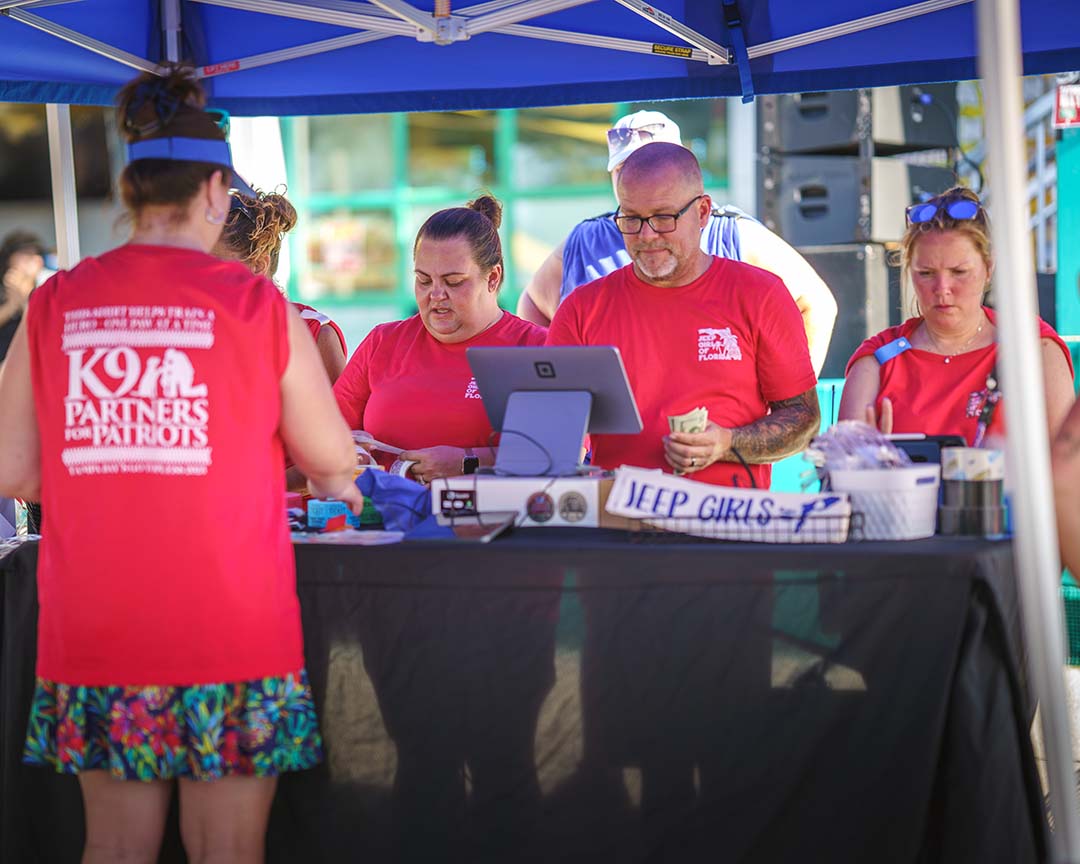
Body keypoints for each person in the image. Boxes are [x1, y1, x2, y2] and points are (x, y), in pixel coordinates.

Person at [0, 66, 364, 864]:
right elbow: (334, 462)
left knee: (116, 848)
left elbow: (15, 471)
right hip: (230, 626)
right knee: (227, 852)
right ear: (213, 192)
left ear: (129, 193)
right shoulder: (255, 303)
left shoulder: (55, 301)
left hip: (96, 625)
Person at [546, 142, 821, 489]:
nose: (647, 236)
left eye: (663, 217)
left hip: (727, 526)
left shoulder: (759, 295)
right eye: (631, 219)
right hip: (617, 525)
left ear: (703, 212)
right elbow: (551, 430)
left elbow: (804, 418)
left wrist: (727, 443)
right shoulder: (581, 309)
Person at [518, 109, 838, 375]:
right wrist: (559, 381)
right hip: (609, 444)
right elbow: (532, 304)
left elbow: (817, 305)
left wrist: (786, 402)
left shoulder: (732, 234)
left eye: (652, 162)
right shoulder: (585, 242)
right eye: (625, 167)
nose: (641, 176)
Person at [333, 194, 547, 484]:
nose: (435, 295)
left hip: (495, 523)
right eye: (423, 280)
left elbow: (560, 456)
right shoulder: (383, 342)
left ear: (493, 278)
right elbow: (326, 437)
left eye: (453, 282)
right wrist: (350, 455)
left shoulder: (536, 348)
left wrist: (466, 462)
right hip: (385, 521)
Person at [839, 186, 1073, 444]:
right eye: (926, 273)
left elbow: (1069, 467)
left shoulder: (1034, 347)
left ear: (989, 268)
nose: (942, 289)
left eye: (959, 272)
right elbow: (842, 470)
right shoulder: (878, 360)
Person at [215, 187, 348, 384]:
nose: (202, 273)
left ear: (259, 265)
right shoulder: (198, 326)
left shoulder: (315, 333)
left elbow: (340, 413)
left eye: (216, 265)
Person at [0, 230, 47, 363]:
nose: (32, 259)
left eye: (36, 254)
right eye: (25, 254)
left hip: (31, 364)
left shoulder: (45, 291)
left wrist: (22, 301)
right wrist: (10, 307)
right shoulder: (3, 290)